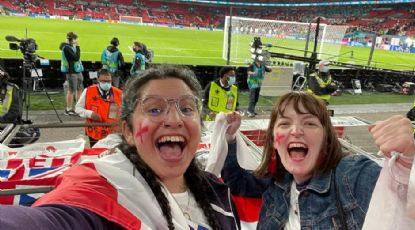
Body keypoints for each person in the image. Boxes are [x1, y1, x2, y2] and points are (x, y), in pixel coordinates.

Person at [0, 65, 240, 229]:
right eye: (154, 109)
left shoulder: (213, 189)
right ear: (128, 131)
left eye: (187, 109)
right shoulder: (102, 185)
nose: (175, 120)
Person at [221, 91, 415, 229]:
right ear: (274, 140)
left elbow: (407, 202)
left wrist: (409, 162)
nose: (296, 130)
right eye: (285, 123)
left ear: (325, 139)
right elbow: (237, 183)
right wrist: (229, 138)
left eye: (309, 123)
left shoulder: (352, 175)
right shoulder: (277, 182)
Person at [75, 69, 122, 147]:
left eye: (109, 81)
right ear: (98, 80)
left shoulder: (119, 93)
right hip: (94, 133)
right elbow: (78, 108)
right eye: (103, 81)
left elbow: (125, 111)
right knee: (96, 155)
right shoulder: (88, 91)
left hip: (113, 134)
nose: (106, 84)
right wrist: (90, 114)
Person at [60, 32, 84, 116]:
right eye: (75, 39)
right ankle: (68, 109)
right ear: (73, 39)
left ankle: (78, 108)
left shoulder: (70, 47)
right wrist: (78, 46)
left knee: (80, 89)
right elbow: (76, 57)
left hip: (77, 70)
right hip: (71, 72)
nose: (77, 41)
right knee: (71, 90)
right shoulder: (66, 48)